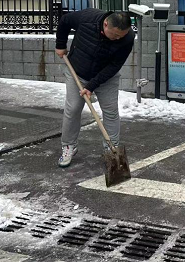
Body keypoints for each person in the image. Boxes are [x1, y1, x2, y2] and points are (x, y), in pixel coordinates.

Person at [54, 9, 135, 168]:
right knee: (73, 108)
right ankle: (69, 146)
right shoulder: (87, 18)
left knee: (110, 111)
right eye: (115, 35)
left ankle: (111, 151)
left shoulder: (127, 38)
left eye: (121, 36)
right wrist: (60, 45)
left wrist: (91, 86)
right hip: (77, 71)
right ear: (106, 24)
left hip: (106, 77)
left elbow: (114, 66)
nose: (118, 38)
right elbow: (64, 21)